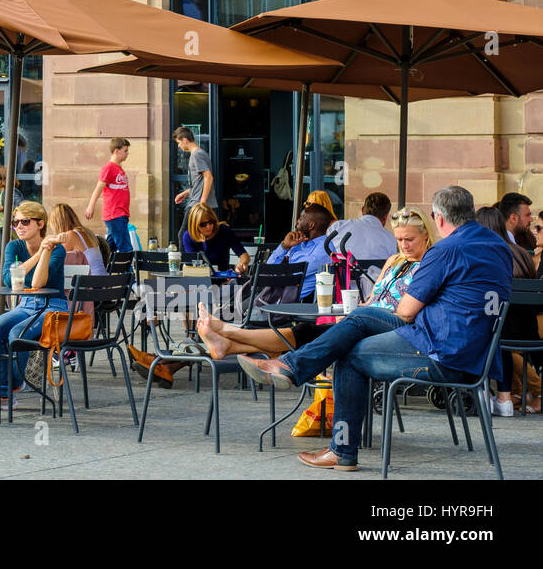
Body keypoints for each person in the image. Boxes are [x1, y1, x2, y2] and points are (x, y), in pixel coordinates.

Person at [239, 185, 513, 472]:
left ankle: (341, 450)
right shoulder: (497, 247)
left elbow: (406, 311)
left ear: (438, 218)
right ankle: (289, 366)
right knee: (361, 318)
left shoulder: (445, 250)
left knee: (348, 356)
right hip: (474, 352)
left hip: (442, 352)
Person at [198, 206, 438, 359]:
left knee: (311, 331)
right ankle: (227, 341)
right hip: (363, 316)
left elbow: (406, 312)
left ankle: (238, 340)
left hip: (388, 325)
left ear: (426, 235)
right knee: (306, 330)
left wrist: (360, 314)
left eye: (409, 239)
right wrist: (283, 247)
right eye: (399, 239)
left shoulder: (429, 264)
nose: (404, 245)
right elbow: (373, 298)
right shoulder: (394, 260)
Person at [0, 200, 68, 409]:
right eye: (15, 222)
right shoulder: (14, 246)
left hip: (53, 306)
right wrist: (39, 254)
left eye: (25, 221)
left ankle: (6, 390)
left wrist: (46, 251)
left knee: (17, 334)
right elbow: (9, 280)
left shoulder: (56, 249)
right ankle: (5, 390)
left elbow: (39, 282)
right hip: (26, 304)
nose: (19, 226)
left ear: (40, 224)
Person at [478, 205, 540, 416]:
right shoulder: (522, 254)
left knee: (486, 332)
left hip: (499, 330)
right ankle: (505, 398)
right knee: (498, 332)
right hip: (529, 332)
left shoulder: (484, 256)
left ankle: (486, 396)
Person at [266, 201, 334, 300]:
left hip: (291, 307)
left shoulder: (324, 249)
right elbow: (269, 269)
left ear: (311, 225)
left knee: (240, 305)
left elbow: (290, 274)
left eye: (301, 219)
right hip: (273, 298)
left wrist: (284, 263)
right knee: (240, 299)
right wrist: (285, 246)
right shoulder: (300, 243)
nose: (296, 223)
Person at [85, 137, 131, 255]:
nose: (127, 153)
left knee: (109, 248)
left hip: (121, 213)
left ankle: (102, 269)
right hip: (115, 214)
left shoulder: (119, 168)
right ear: (116, 151)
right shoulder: (109, 168)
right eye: (125, 151)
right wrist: (91, 206)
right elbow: (98, 188)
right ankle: (129, 273)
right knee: (125, 248)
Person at [326, 191, 397, 265]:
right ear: (386, 216)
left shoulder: (338, 226)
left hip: (340, 275)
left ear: (362, 210)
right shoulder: (391, 239)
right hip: (375, 276)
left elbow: (324, 253)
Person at [180, 202, 250, 274]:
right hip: (200, 280)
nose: (208, 226)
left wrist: (242, 264)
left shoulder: (224, 231)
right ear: (195, 225)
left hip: (223, 278)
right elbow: (192, 265)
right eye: (203, 224)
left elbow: (244, 255)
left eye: (211, 222)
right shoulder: (188, 236)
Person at [48, 202, 106, 275]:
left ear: (56, 223)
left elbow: (53, 258)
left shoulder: (70, 235)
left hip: (92, 283)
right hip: (103, 280)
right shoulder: (86, 231)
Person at [171, 127, 217, 216]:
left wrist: (202, 203)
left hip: (198, 205)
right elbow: (200, 182)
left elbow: (209, 177)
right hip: (197, 203)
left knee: (185, 230)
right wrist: (185, 193)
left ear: (184, 140)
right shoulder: (199, 153)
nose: (178, 146)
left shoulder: (197, 154)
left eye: (178, 142)